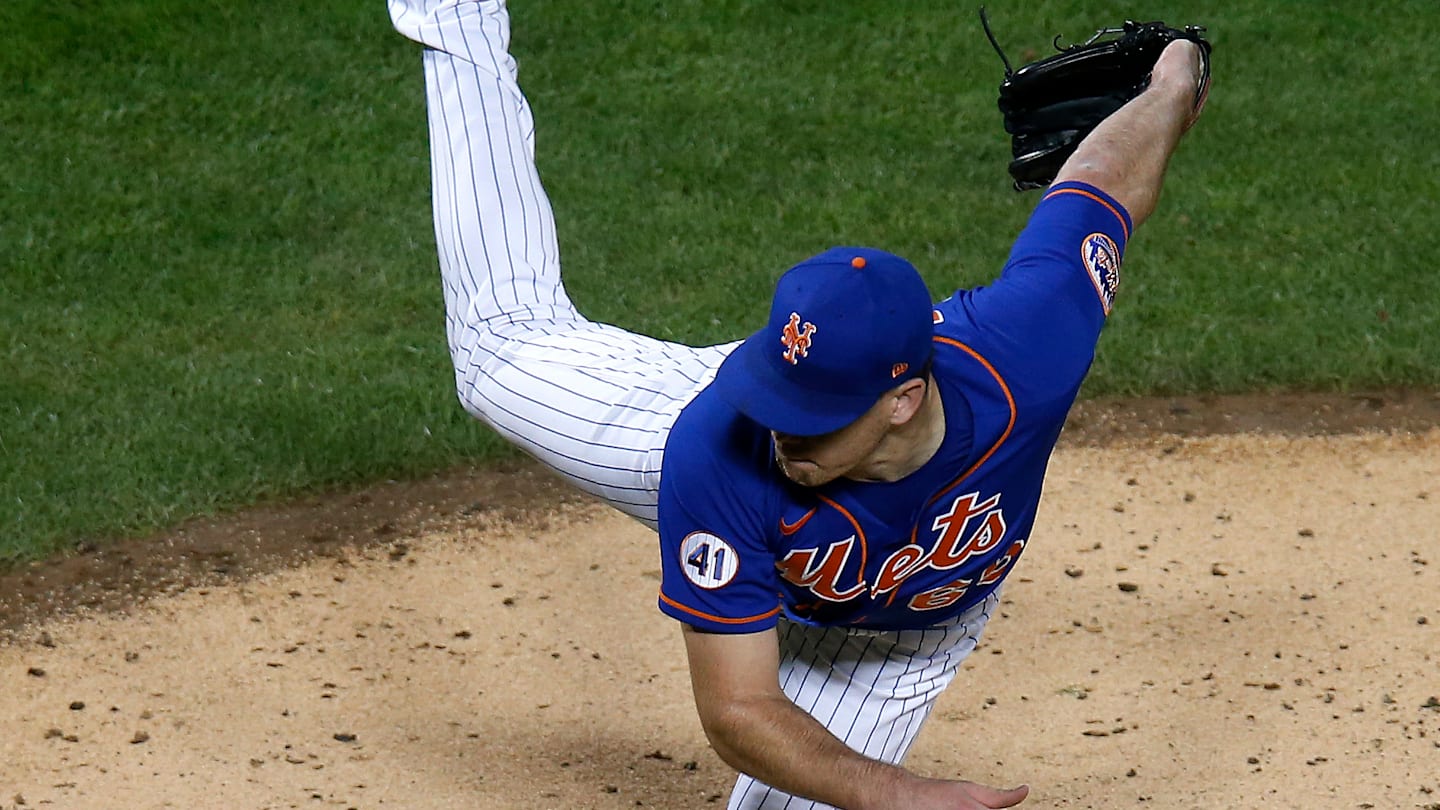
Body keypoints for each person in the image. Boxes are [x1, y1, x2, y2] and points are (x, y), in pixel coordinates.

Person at [387, 1, 1209, 807]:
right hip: (696, 449)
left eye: (812, 416)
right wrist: (901, 795)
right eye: (778, 403)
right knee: (498, 354)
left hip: (892, 645)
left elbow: (1103, 188)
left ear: (902, 399)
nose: (786, 433)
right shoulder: (730, 441)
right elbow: (737, 712)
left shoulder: (1026, 348)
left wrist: (1171, 85)